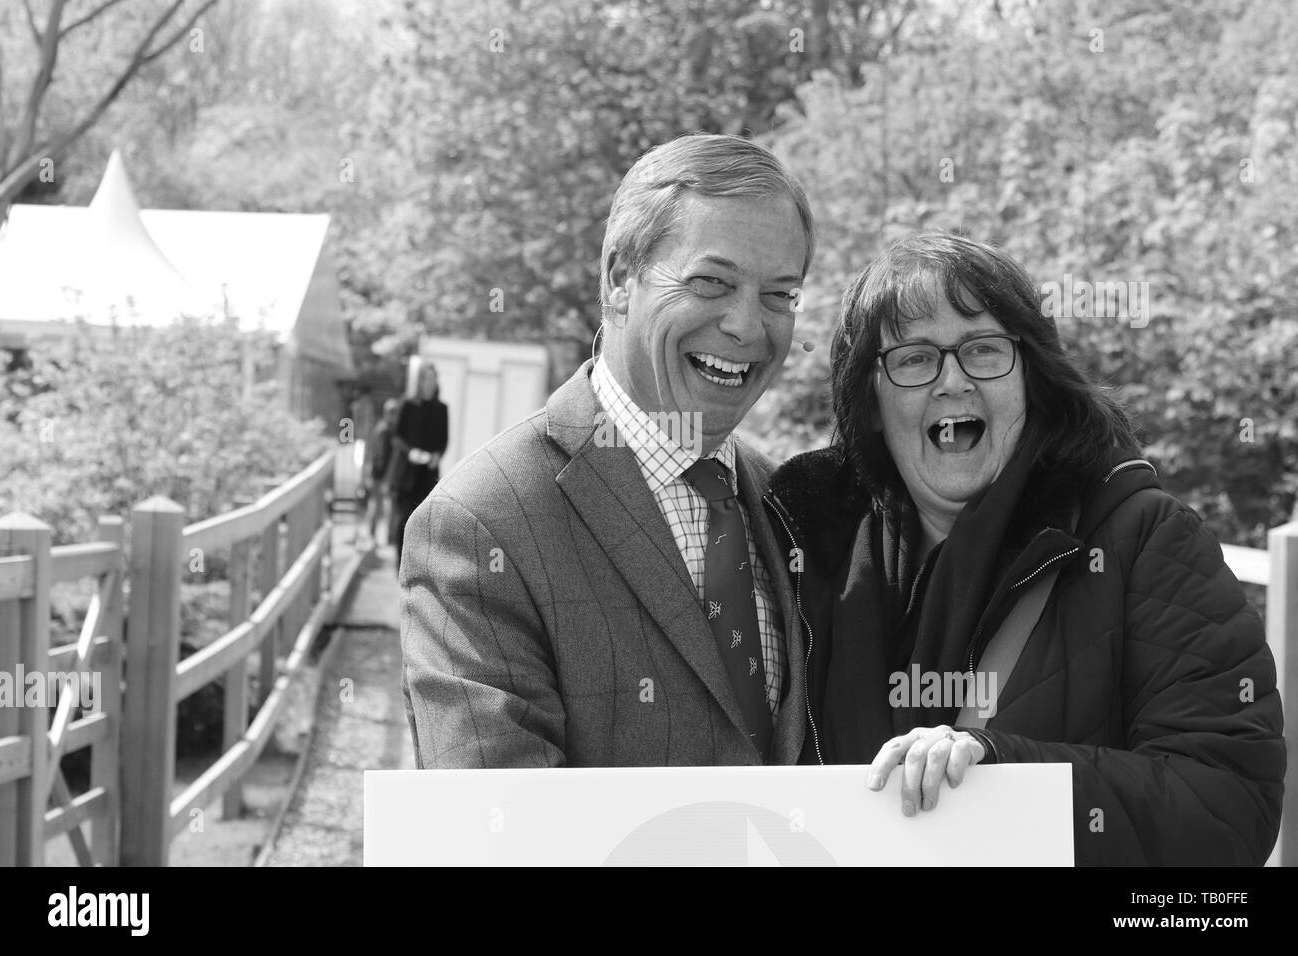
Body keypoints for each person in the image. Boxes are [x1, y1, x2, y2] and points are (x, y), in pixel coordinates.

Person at [767, 232, 1285, 865]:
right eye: (914, 358)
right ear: (870, 401)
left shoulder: (1144, 538)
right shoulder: (798, 551)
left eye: (984, 350)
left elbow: (1228, 810)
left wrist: (1002, 773)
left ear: (1031, 379)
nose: (952, 381)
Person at [401, 133, 815, 767]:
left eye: (779, 294)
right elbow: (494, 829)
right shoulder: (480, 525)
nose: (747, 326)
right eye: (711, 282)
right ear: (621, 278)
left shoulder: (791, 501)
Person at [390, 363, 449, 569]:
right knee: (402, 519)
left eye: (433, 379)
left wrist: (436, 456)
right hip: (405, 474)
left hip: (428, 474)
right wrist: (410, 453)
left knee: (425, 522)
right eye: (427, 379)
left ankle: (418, 566)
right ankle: (400, 565)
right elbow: (396, 437)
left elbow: (443, 442)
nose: (430, 383)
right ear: (420, 381)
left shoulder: (442, 409)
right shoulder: (406, 405)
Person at [364, 397, 401, 546]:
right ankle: (372, 536)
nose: (393, 415)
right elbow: (379, 455)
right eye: (391, 412)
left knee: (386, 508)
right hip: (379, 475)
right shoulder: (383, 430)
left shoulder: (390, 430)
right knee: (378, 507)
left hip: (387, 476)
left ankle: (387, 537)